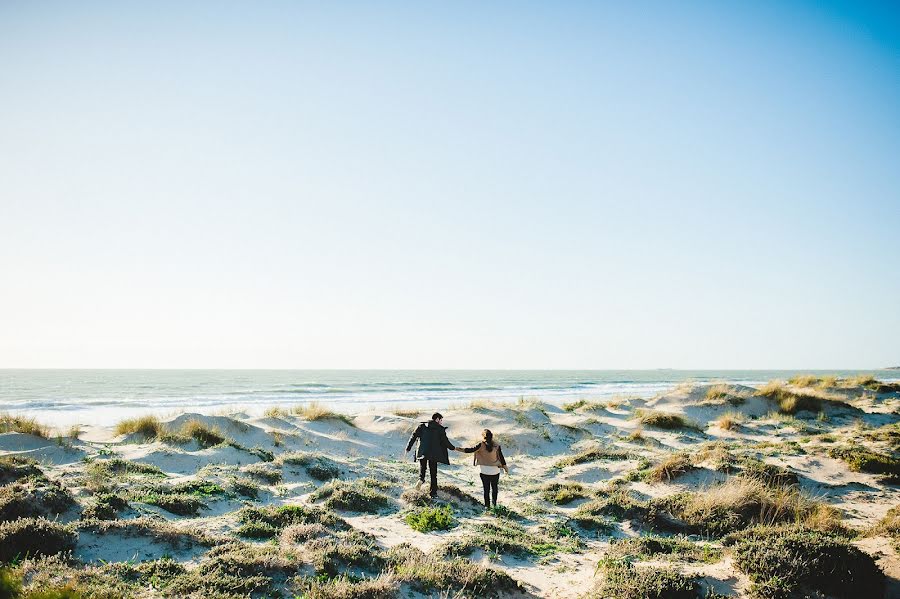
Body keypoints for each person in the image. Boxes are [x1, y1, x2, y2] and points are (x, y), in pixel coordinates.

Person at [405, 412, 457, 497]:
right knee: (433, 474)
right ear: (437, 419)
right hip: (433, 454)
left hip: (422, 451)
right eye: (441, 420)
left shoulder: (422, 426)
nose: (441, 422)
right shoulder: (440, 429)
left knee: (423, 469)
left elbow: (413, 436)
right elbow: (445, 441)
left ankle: (421, 480)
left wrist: (408, 447)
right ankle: (433, 493)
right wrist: (453, 448)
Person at [455, 429, 509, 509]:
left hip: (484, 471)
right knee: (494, 488)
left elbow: (470, 450)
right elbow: (501, 458)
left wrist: (457, 448)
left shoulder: (480, 445)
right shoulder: (497, 446)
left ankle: (487, 506)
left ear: (483, 437)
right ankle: (494, 505)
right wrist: (505, 468)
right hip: (495, 471)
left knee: (486, 489)